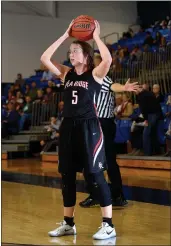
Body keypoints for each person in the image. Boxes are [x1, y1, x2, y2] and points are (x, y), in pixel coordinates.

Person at [41, 20, 116, 240]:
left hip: (89, 128)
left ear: (86, 55)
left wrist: (96, 37)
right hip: (68, 128)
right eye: (70, 51)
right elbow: (44, 58)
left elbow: (109, 58)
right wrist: (65, 35)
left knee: (94, 174)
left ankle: (108, 224)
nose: (71, 54)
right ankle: (68, 223)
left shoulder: (95, 74)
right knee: (67, 175)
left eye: (75, 51)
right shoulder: (67, 74)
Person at [79, 54, 139, 208]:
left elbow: (114, 86)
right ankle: (94, 194)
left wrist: (124, 88)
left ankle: (118, 195)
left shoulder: (104, 80)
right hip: (90, 124)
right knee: (88, 162)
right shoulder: (87, 82)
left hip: (104, 124)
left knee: (109, 161)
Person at [135, 86, 163, 156]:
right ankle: (157, 151)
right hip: (157, 114)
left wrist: (146, 119)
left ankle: (147, 153)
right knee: (153, 133)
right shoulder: (150, 93)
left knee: (146, 133)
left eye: (135, 90)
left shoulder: (141, 96)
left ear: (140, 89)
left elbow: (143, 108)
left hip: (150, 115)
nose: (135, 91)